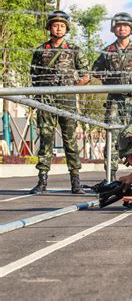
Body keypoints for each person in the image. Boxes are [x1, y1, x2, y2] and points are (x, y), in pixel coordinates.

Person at [92, 12, 132, 186]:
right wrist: (109, 81)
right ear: (114, 29)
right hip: (115, 99)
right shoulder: (108, 51)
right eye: (119, 26)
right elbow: (95, 70)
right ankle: (110, 177)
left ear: (131, 28)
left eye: (125, 26)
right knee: (111, 135)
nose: (122, 28)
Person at [29, 10, 90, 194]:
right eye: (55, 25)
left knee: (70, 140)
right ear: (49, 27)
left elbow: (86, 75)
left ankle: (75, 181)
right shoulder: (40, 50)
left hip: (67, 100)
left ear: (67, 28)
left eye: (62, 25)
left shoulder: (74, 50)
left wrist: (72, 88)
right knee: (46, 139)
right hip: (46, 100)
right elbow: (34, 75)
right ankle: (42, 181)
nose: (58, 28)